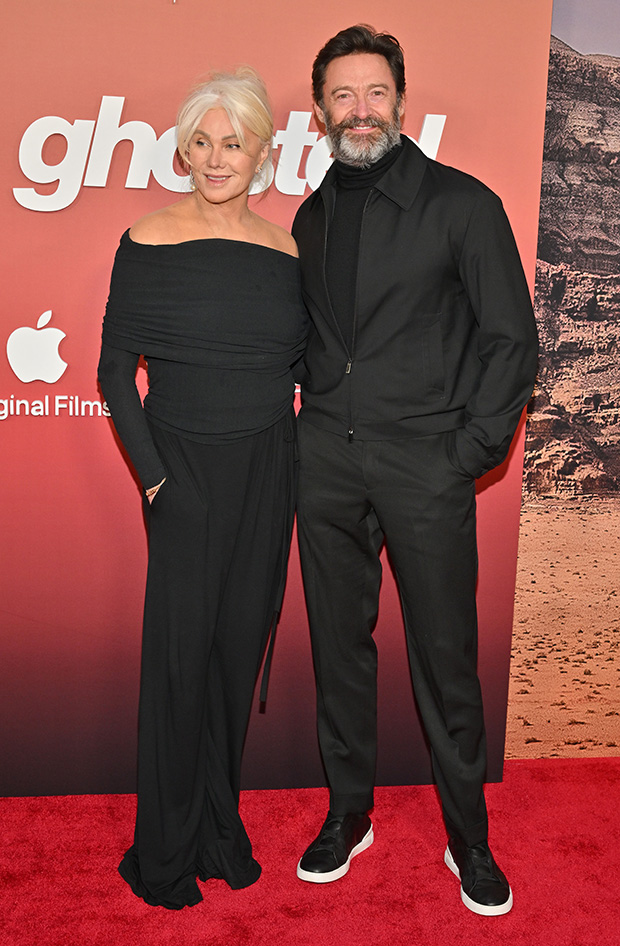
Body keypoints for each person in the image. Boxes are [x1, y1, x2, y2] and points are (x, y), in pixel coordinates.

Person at [292, 25, 538, 916]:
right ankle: (348, 813)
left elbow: (513, 341)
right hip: (326, 461)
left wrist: (465, 455)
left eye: (374, 92)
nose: (360, 109)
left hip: (427, 464)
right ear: (321, 110)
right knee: (338, 650)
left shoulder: (462, 203)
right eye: (342, 95)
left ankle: (468, 837)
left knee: (445, 657)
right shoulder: (311, 216)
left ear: (400, 100)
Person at [98, 67, 308, 910]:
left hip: (268, 470)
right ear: (182, 151)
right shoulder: (147, 240)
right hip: (180, 471)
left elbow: (302, 368)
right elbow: (115, 375)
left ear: (262, 154)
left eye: (235, 143)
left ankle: (221, 828)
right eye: (202, 142)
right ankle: (167, 848)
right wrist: (156, 483)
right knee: (180, 664)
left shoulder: (287, 252)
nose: (217, 159)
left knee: (233, 657)